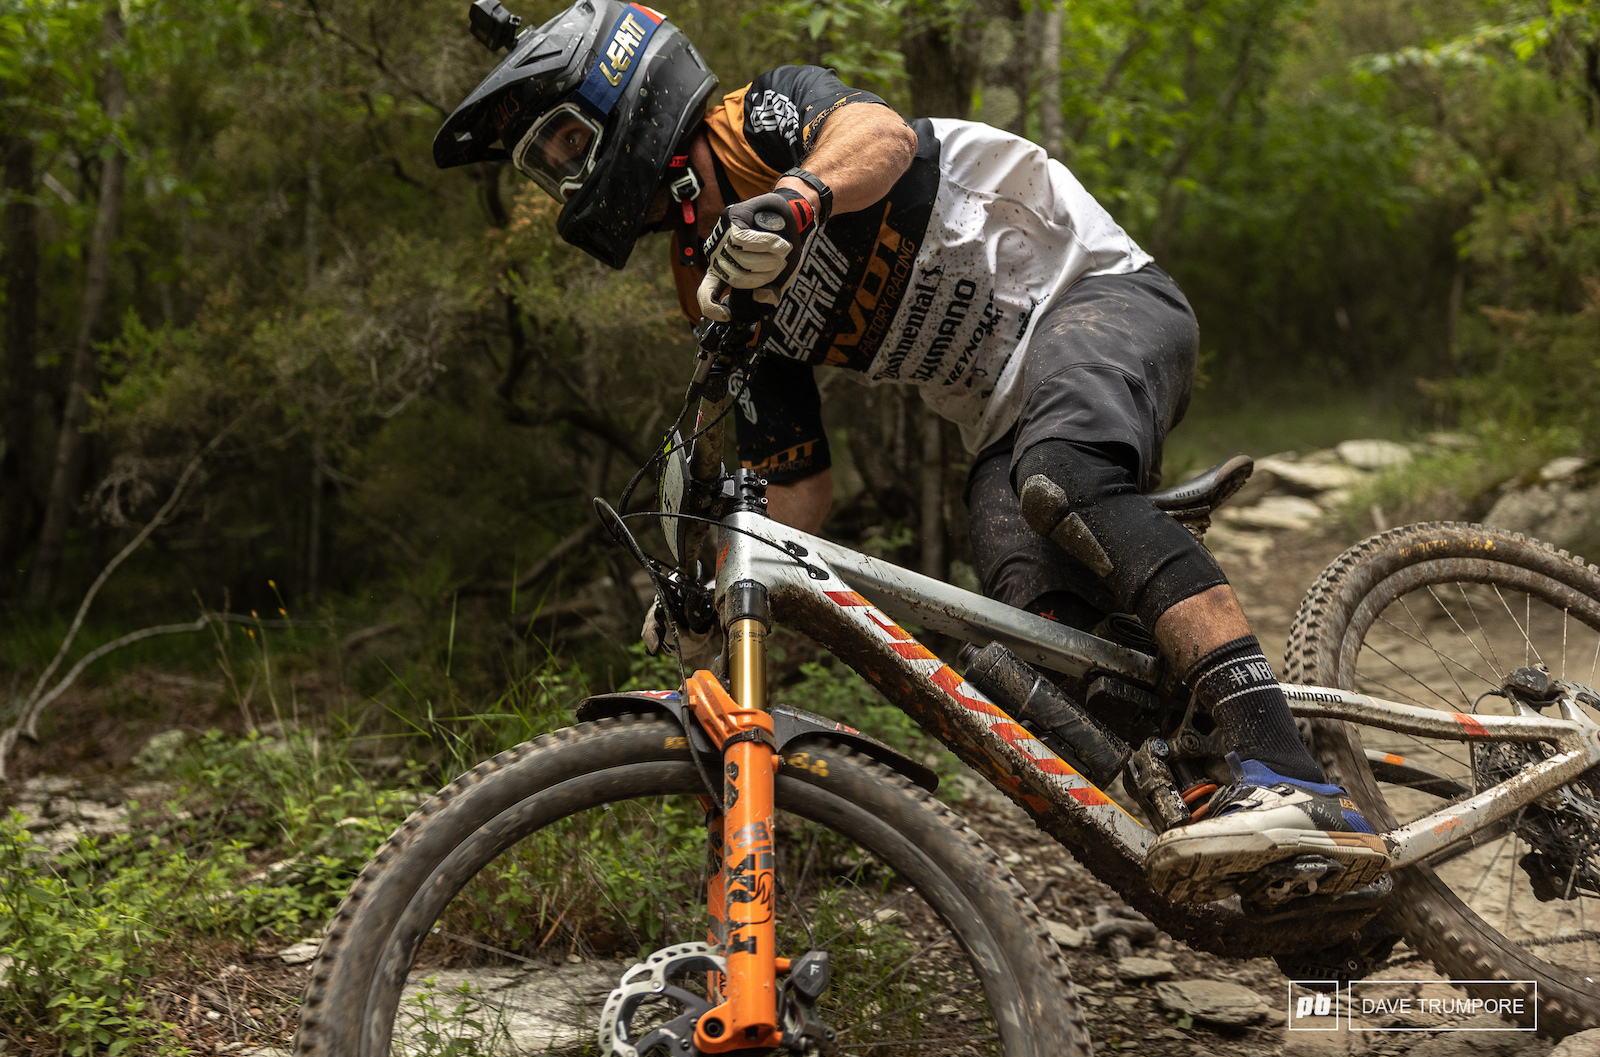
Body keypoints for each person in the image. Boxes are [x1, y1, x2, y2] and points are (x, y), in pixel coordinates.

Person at [434, 0, 1389, 905]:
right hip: (1002, 417)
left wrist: (797, 198)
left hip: (1096, 298)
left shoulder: (756, 116)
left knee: (1064, 476)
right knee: (1037, 651)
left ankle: (1293, 776)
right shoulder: (709, 281)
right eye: (544, 163)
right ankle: (1242, 824)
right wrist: (719, 593)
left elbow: (882, 138)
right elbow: (799, 482)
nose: (563, 176)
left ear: (622, 97)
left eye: (565, 143)